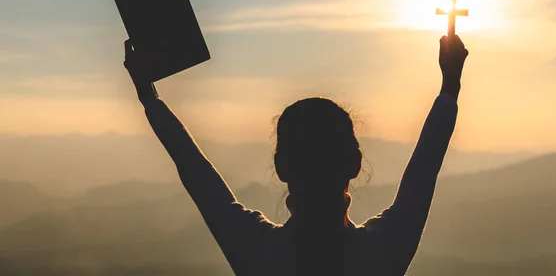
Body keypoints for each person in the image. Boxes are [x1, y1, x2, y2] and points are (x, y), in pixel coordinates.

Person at [123, 34, 469, 276]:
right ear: (355, 164)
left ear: (280, 166)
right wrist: (450, 86)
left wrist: (149, 98)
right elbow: (423, 172)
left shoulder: (257, 253)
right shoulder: (380, 255)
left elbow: (197, 173)